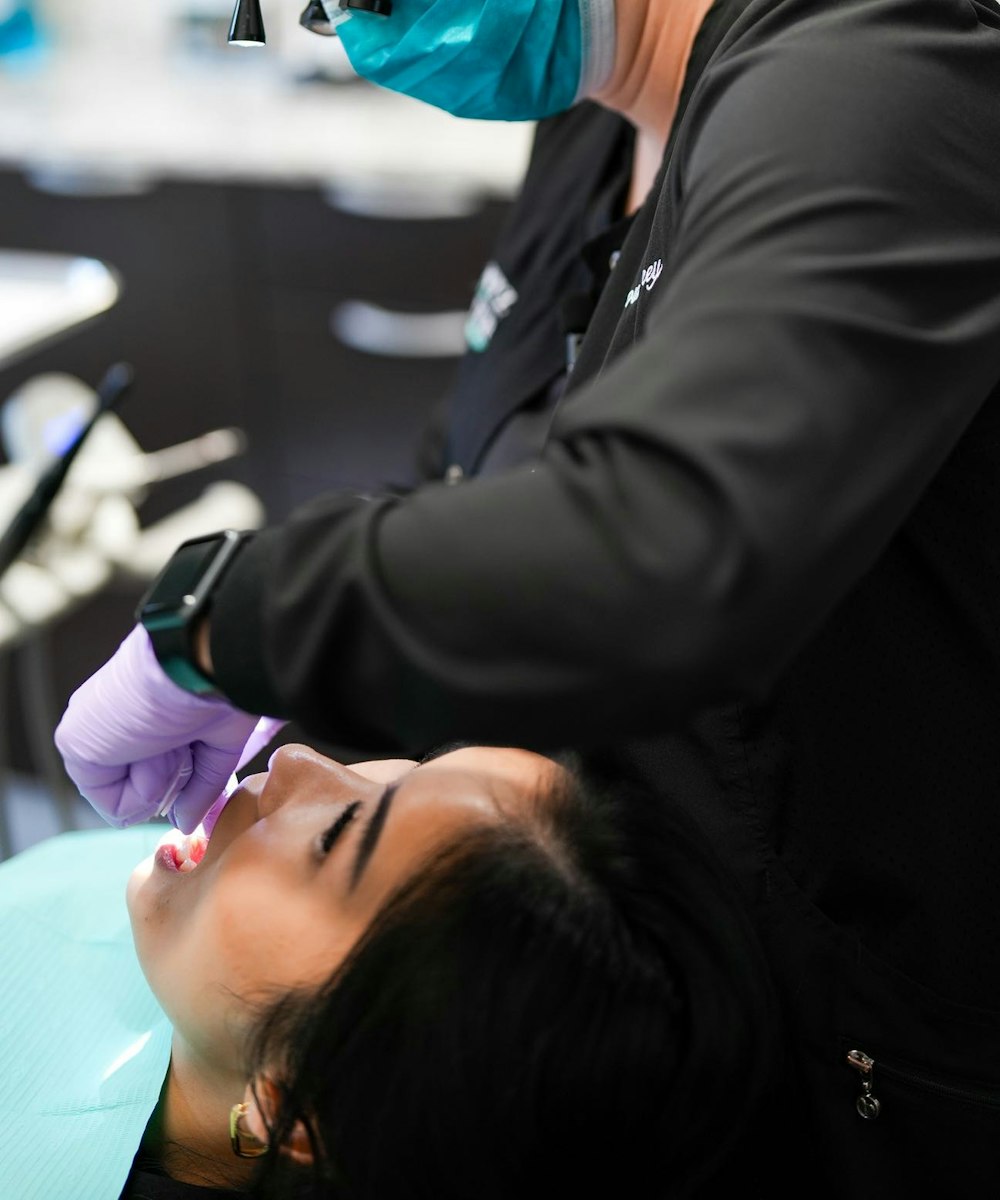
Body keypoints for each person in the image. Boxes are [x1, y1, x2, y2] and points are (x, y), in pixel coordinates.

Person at [55, 0, 1000, 1192]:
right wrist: (338, 700)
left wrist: (231, 619)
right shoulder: (595, 124)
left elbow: (659, 546)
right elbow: (476, 467)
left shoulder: (883, 66)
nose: (343, 26)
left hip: (860, 1078)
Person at [0, 742, 780, 1199]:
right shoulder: (194, 939)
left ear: (295, 1109)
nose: (297, 759)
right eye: (413, 773)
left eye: (337, 838)